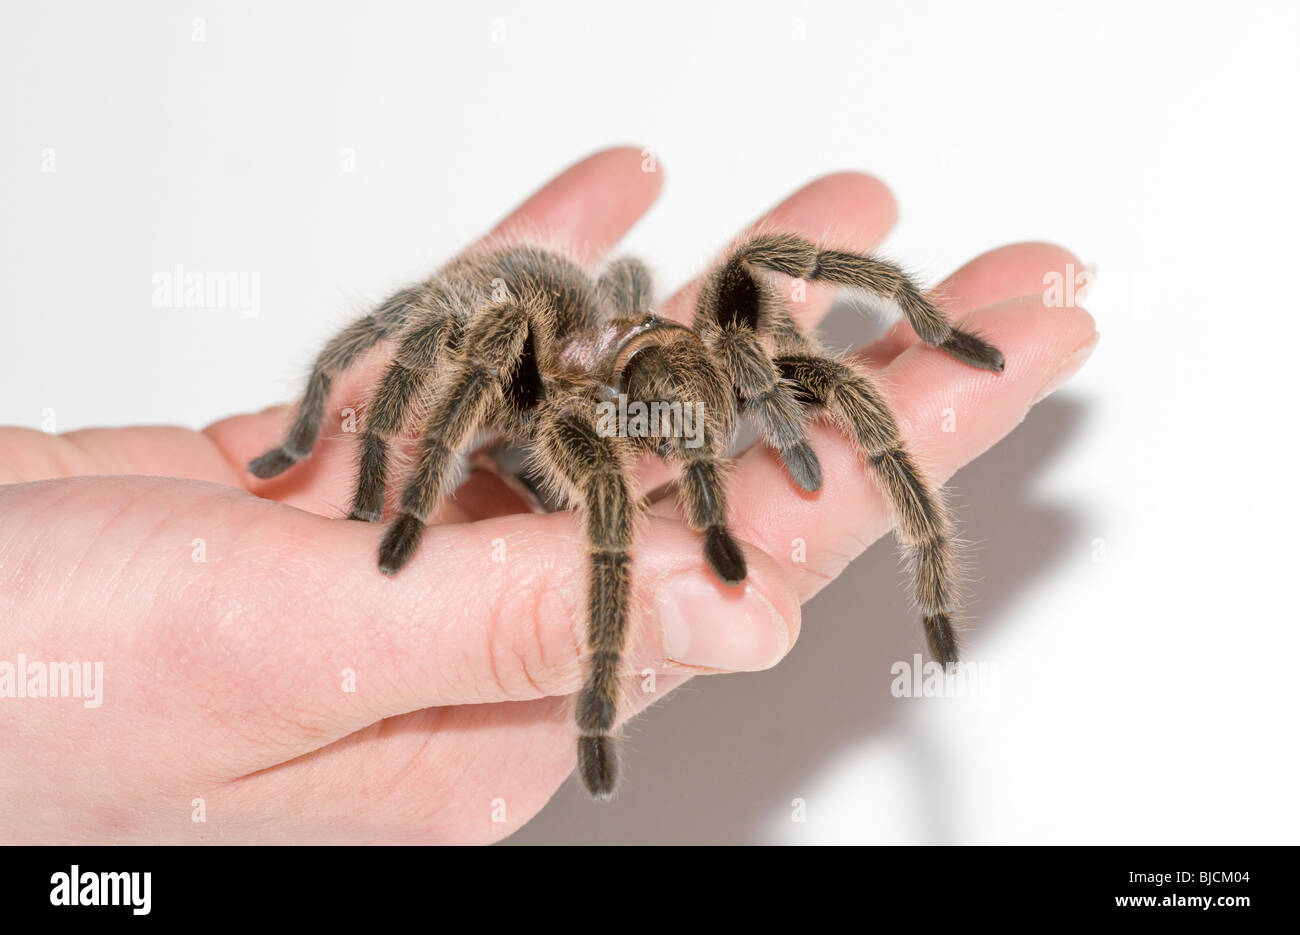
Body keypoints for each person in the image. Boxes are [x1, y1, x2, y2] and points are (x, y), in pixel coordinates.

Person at [0, 147, 1096, 843]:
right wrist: (392, 479)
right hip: (574, 399)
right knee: (463, 329)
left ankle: (937, 584)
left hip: (659, 358)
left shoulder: (723, 330)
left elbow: (771, 340)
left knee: (807, 314)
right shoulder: (557, 371)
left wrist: (922, 324)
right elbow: (464, 350)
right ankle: (404, 491)